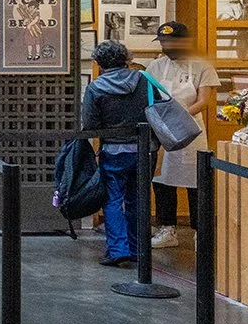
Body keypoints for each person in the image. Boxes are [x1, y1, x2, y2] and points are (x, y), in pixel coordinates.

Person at [145, 21, 219, 248]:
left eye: (171, 41)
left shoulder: (202, 67)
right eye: (163, 42)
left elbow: (204, 100)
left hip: (191, 130)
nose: (167, 45)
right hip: (162, 130)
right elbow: (149, 97)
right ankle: (167, 229)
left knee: (196, 181)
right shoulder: (154, 67)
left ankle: (200, 231)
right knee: (162, 179)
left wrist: (181, 115)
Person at [82, 39, 154, 267]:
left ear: (99, 63)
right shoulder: (144, 80)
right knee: (138, 200)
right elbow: (158, 109)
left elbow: (91, 123)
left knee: (112, 199)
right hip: (145, 149)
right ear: (126, 59)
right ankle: (137, 249)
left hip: (113, 150)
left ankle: (117, 249)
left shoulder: (96, 88)